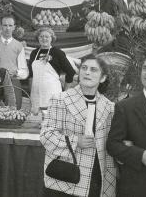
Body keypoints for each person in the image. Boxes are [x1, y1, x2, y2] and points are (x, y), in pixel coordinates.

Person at [40, 54, 117, 197]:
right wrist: (76, 141)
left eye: (94, 70)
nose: (87, 72)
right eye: (84, 68)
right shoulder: (60, 99)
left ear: (103, 78)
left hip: (96, 179)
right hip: (65, 179)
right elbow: (46, 136)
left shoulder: (110, 107)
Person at [107, 53, 146, 197]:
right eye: (145, 68)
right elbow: (112, 144)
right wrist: (141, 155)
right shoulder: (125, 107)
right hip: (137, 187)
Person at [29, 27, 76, 114]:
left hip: (52, 93)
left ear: (52, 38)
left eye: (47, 36)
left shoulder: (58, 53)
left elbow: (70, 72)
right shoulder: (34, 53)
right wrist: (31, 93)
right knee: (37, 121)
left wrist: (65, 93)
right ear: (38, 38)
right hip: (36, 94)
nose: (44, 39)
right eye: (41, 36)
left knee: (51, 120)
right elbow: (31, 75)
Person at [0, 15, 29, 108]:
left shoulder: (19, 46)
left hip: (13, 81)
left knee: (14, 110)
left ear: (14, 27)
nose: (7, 28)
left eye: (10, 25)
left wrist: (17, 73)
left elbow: (24, 70)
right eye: (5, 25)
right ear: (1, 27)